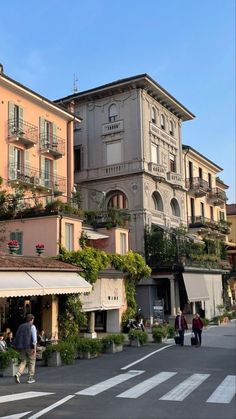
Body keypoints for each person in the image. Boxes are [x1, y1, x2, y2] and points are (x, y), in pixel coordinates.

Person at [13, 313, 37, 384]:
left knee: (23, 361)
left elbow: (17, 337)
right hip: (29, 347)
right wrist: (35, 349)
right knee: (32, 361)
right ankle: (30, 378)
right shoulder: (32, 326)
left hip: (21, 347)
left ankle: (18, 374)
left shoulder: (21, 326)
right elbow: (34, 339)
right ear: (32, 320)